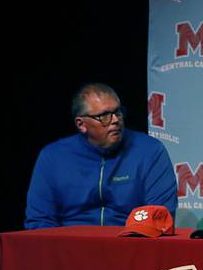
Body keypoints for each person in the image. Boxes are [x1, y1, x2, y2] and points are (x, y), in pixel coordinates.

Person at [25, 83, 177, 229]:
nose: (116, 120)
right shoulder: (52, 157)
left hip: (131, 245)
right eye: (104, 115)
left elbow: (160, 215)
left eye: (118, 112)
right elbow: (40, 220)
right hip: (70, 247)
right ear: (81, 124)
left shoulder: (150, 150)